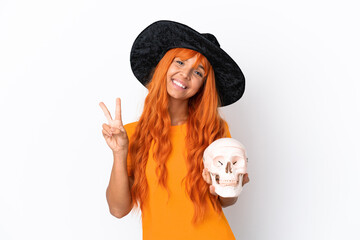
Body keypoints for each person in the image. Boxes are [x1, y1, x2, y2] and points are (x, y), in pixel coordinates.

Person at [99, 20, 250, 240]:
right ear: (165, 65)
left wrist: (232, 187)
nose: (186, 74)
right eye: (180, 62)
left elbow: (225, 201)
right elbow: (118, 210)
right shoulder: (131, 135)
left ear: (203, 86)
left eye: (198, 73)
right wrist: (119, 152)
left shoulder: (214, 129)